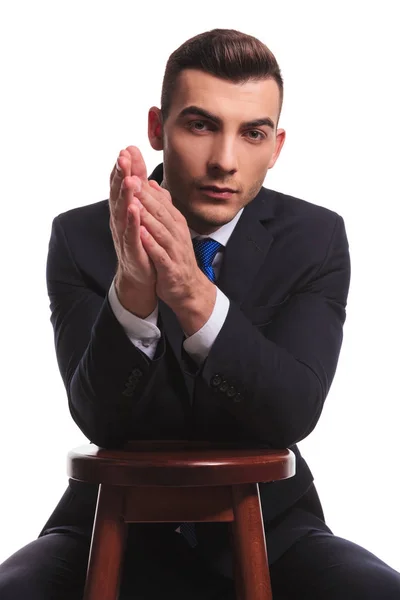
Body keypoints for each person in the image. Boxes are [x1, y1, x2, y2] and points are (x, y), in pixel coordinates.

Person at [0, 27, 399, 600]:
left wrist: (194, 296)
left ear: (277, 146)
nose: (225, 161)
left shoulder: (315, 238)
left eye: (252, 133)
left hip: (274, 525)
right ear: (158, 129)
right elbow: (98, 419)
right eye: (201, 124)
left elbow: (293, 411)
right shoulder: (81, 235)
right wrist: (133, 291)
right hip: (108, 525)